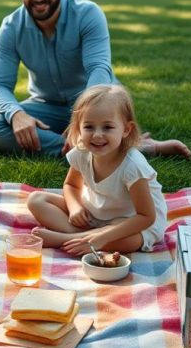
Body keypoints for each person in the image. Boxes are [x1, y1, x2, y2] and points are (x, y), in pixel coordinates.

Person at [0, 0, 191, 159]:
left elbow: (99, 69)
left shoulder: (88, 14)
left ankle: (93, 145)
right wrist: (16, 115)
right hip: (45, 105)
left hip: (98, 100)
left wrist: (81, 119)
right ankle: (105, 149)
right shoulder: (11, 27)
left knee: (101, 111)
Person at [27, 84, 166, 256]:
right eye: (89, 127)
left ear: (126, 129)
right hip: (96, 211)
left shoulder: (133, 166)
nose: (97, 135)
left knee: (130, 241)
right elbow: (71, 186)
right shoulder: (82, 153)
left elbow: (146, 217)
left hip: (131, 220)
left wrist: (103, 237)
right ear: (79, 128)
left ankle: (64, 239)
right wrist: (75, 207)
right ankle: (82, 238)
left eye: (107, 127)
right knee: (36, 199)